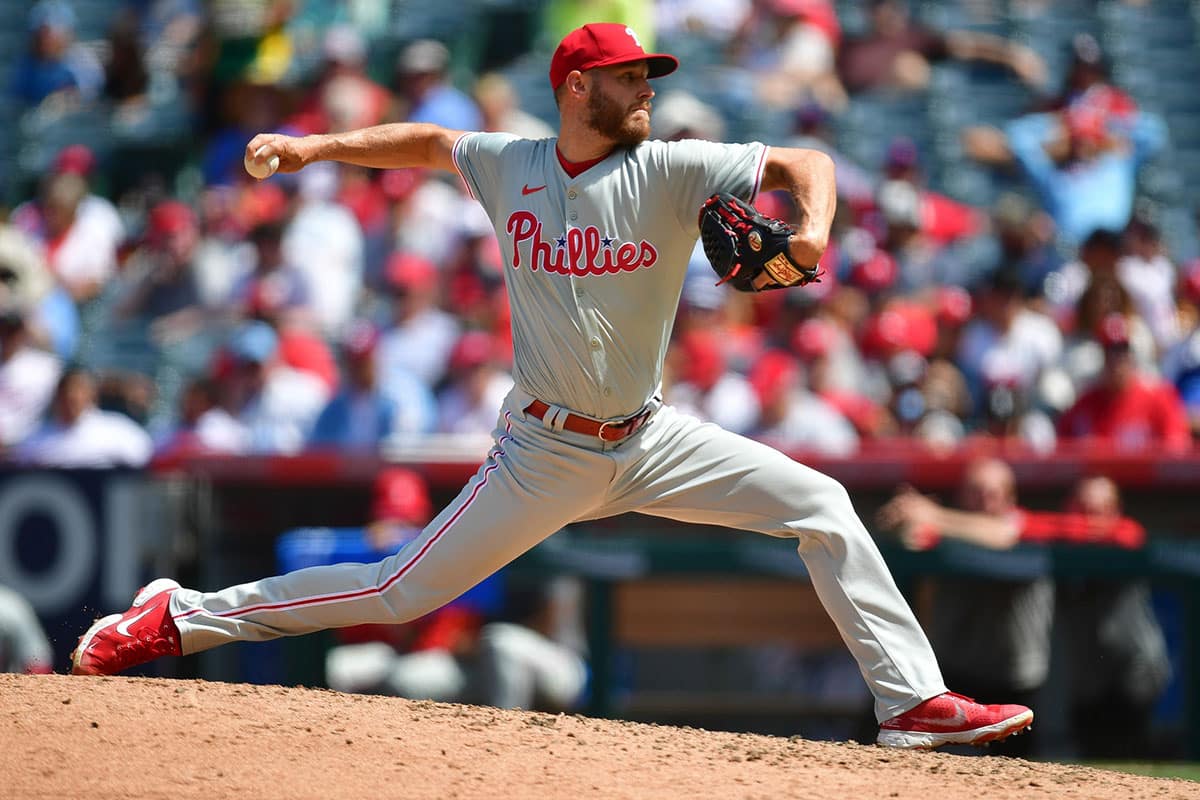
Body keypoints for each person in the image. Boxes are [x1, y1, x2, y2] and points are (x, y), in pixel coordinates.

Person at [70, 22, 1032, 750]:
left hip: (652, 440)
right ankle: (174, 617)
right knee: (397, 592)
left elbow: (805, 161)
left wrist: (812, 232)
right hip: (544, 450)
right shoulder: (513, 162)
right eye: (628, 77)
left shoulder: (670, 167)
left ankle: (911, 704)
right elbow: (427, 143)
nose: (645, 89)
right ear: (579, 88)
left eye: (647, 76)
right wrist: (315, 148)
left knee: (823, 503)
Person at [877, 467, 1170, 759]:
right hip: (965, 672)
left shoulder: (1050, 530)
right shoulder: (954, 531)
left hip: (1094, 674)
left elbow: (1005, 533)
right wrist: (907, 517)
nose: (985, 502)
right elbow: (912, 538)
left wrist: (933, 514)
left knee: (1118, 756)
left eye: (993, 494)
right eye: (976, 494)